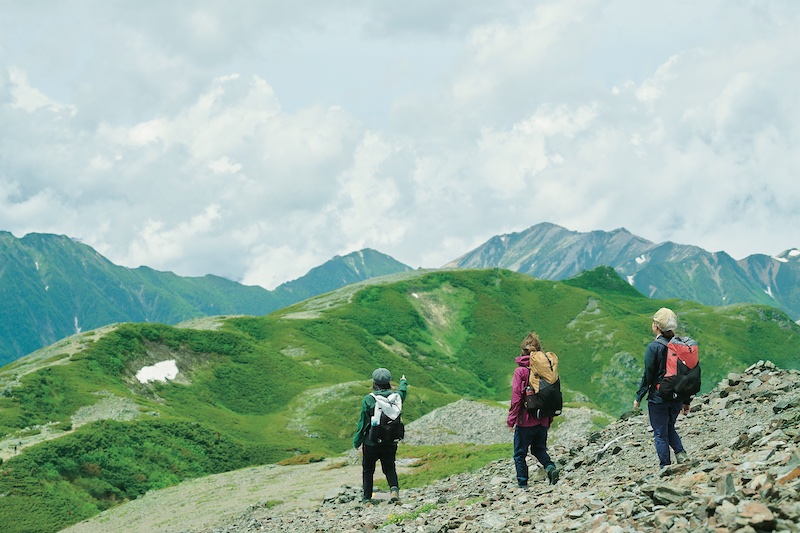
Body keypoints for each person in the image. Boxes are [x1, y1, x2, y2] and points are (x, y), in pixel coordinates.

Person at [633, 307, 690, 469]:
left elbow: (648, 375)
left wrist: (639, 397)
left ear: (656, 326)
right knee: (669, 427)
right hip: (677, 397)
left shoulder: (654, 347)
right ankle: (681, 455)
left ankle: (665, 467)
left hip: (659, 398)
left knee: (660, 433)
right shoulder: (681, 345)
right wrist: (686, 401)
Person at [507, 332, 558, 488]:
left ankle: (523, 484)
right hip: (543, 419)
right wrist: (549, 419)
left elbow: (517, 397)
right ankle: (550, 467)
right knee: (539, 449)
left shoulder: (520, 371)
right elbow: (551, 394)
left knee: (519, 454)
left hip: (525, 421)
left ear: (523, 351)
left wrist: (511, 420)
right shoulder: (546, 369)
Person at [353, 368, 408, 504]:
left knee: (368, 470)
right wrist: (403, 382)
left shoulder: (369, 399)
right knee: (389, 467)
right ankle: (394, 490)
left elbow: (363, 423)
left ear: (374, 382)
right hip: (390, 441)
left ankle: (367, 498)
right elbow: (403, 391)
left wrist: (357, 441)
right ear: (389, 382)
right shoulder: (396, 397)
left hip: (371, 442)